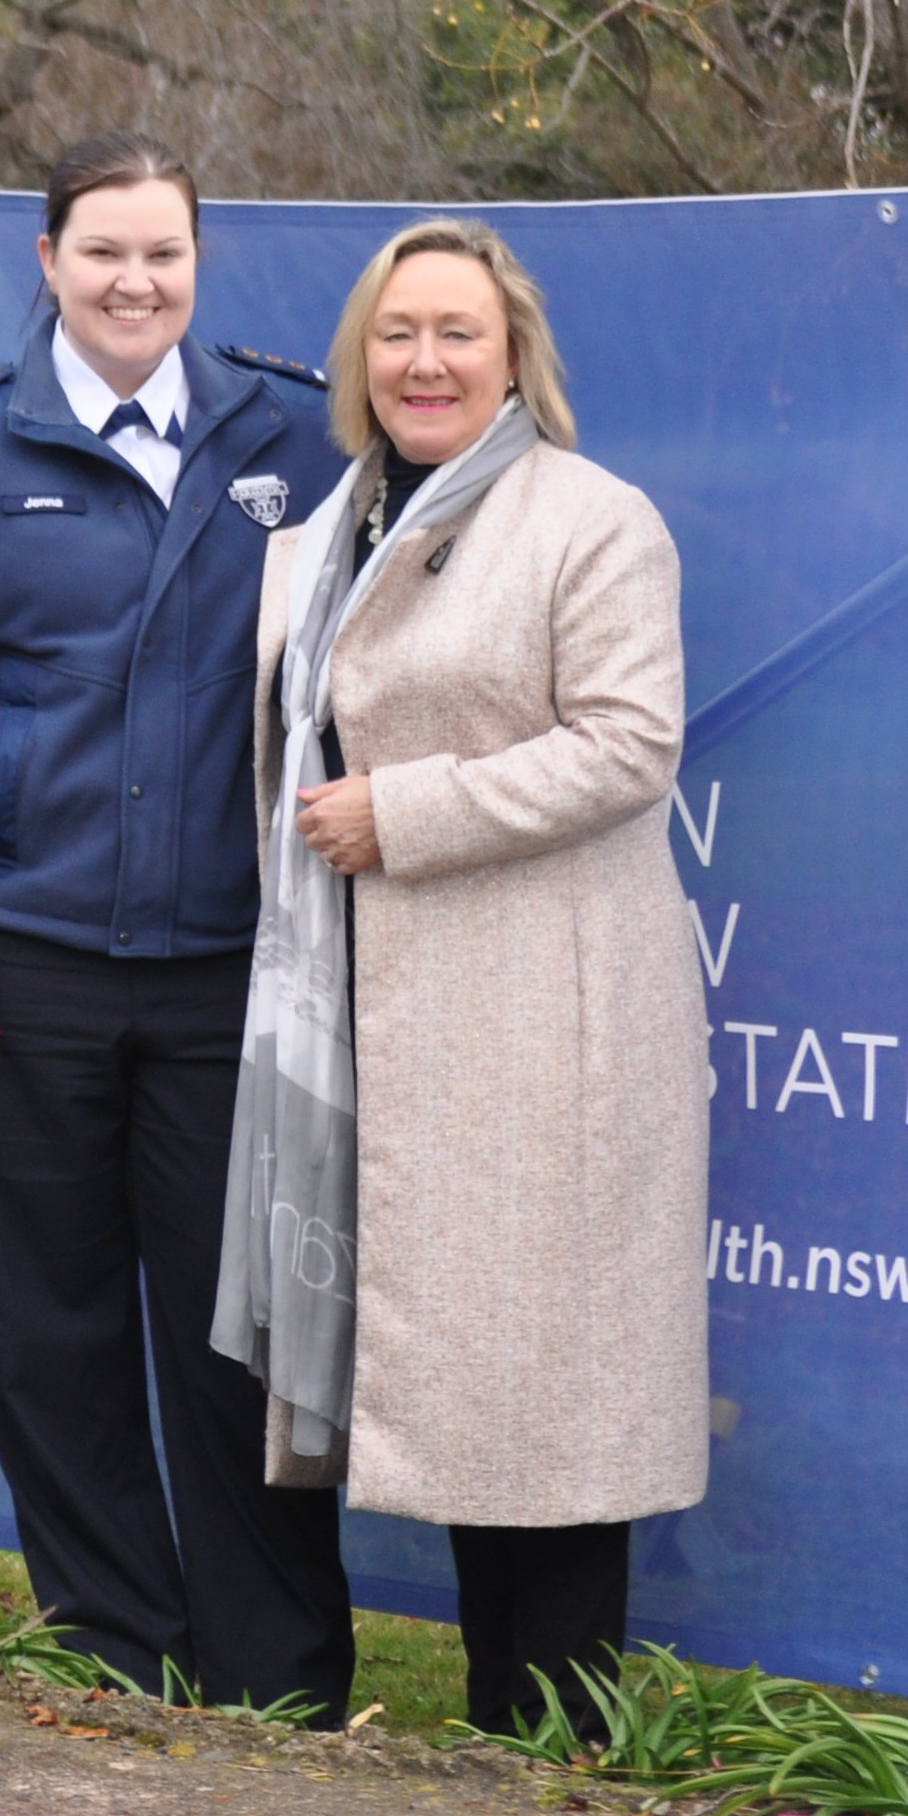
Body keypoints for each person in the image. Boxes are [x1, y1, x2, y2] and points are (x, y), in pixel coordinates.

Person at [0, 130, 357, 1715]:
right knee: (52, 1337)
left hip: (230, 976)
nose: (135, 283)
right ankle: (115, 1655)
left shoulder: (291, 437)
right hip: (21, 970)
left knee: (241, 1347)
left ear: (197, 266)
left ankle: (278, 1676)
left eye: (165, 255)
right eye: (104, 254)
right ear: (48, 262)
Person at [221, 218, 703, 1738]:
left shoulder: (592, 519)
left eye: (457, 334)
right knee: (484, 1380)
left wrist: (404, 813)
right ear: (361, 360)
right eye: (396, 333)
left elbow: (633, 743)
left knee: (549, 1391)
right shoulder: (332, 524)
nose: (424, 360)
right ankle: (503, 1739)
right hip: (371, 1009)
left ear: (513, 359)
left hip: (541, 1018)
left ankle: (550, 1740)